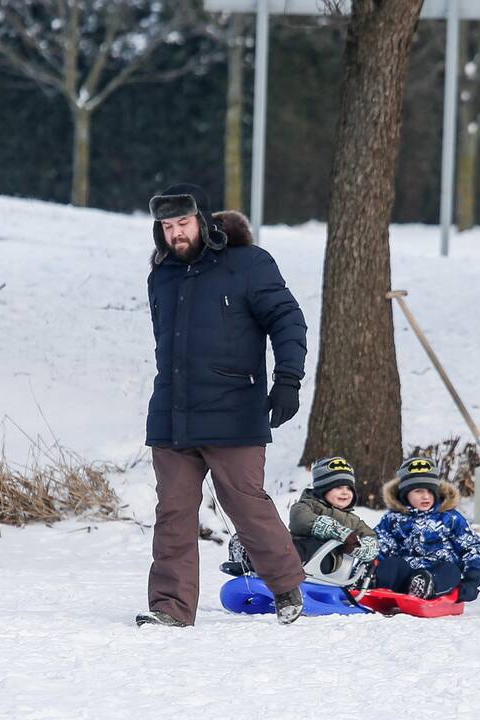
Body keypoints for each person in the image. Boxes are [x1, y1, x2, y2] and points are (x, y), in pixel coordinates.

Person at [136, 185, 308, 628]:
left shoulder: (248, 264)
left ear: (203, 221)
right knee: (172, 513)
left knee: (246, 505)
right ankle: (170, 608)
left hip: (235, 411)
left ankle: (288, 587)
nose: (176, 234)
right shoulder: (162, 275)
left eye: (183, 224)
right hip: (173, 416)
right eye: (167, 227)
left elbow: (287, 318)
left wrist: (288, 379)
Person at [222, 456, 379, 576]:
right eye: (338, 487)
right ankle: (250, 558)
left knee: (312, 547)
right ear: (323, 489)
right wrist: (339, 532)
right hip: (293, 551)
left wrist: (357, 547)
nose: (345, 492)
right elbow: (300, 520)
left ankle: (261, 565)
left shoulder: (353, 521)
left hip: (326, 563)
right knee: (276, 540)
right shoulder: (307, 505)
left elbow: (372, 540)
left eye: (349, 488)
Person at [373, 457, 480, 601]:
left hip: (438, 574)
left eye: (430, 492)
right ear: (405, 494)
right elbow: (380, 543)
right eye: (418, 491)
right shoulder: (393, 519)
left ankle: (426, 587)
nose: (426, 496)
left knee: (450, 570)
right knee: (392, 563)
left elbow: (471, 547)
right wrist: (370, 562)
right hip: (405, 574)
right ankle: (382, 588)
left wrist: (472, 577)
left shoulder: (450, 518)